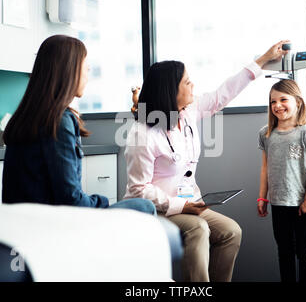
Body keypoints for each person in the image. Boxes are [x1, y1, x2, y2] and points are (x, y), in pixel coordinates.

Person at [124, 40, 290, 282]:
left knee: (231, 232)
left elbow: (223, 94)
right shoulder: (142, 132)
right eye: (187, 82)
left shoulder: (187, 113)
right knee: (198, 229)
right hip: (156, 210)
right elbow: (138, 189)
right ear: (172, 90)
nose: (193, 86)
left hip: (189, 203)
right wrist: (182, 207)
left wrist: (262, 61)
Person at [2, 35, 156, 215]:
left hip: (23, 222)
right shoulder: (59, 121)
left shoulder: (27, 116)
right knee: (144, 206)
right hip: (54, 225)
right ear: (70, 70)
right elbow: (72, 201)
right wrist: (102, 201)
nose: (88, 77)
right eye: (87, 69)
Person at [257, 79, 306, 282]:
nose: (277, 105)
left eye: (283, 99)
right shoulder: (266, 134)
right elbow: (265, 168)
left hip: (300, 203)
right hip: (278, 203)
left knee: (304, 250)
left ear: (298, 102)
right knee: (284, 251)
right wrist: (262, 197)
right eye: (272, 101)